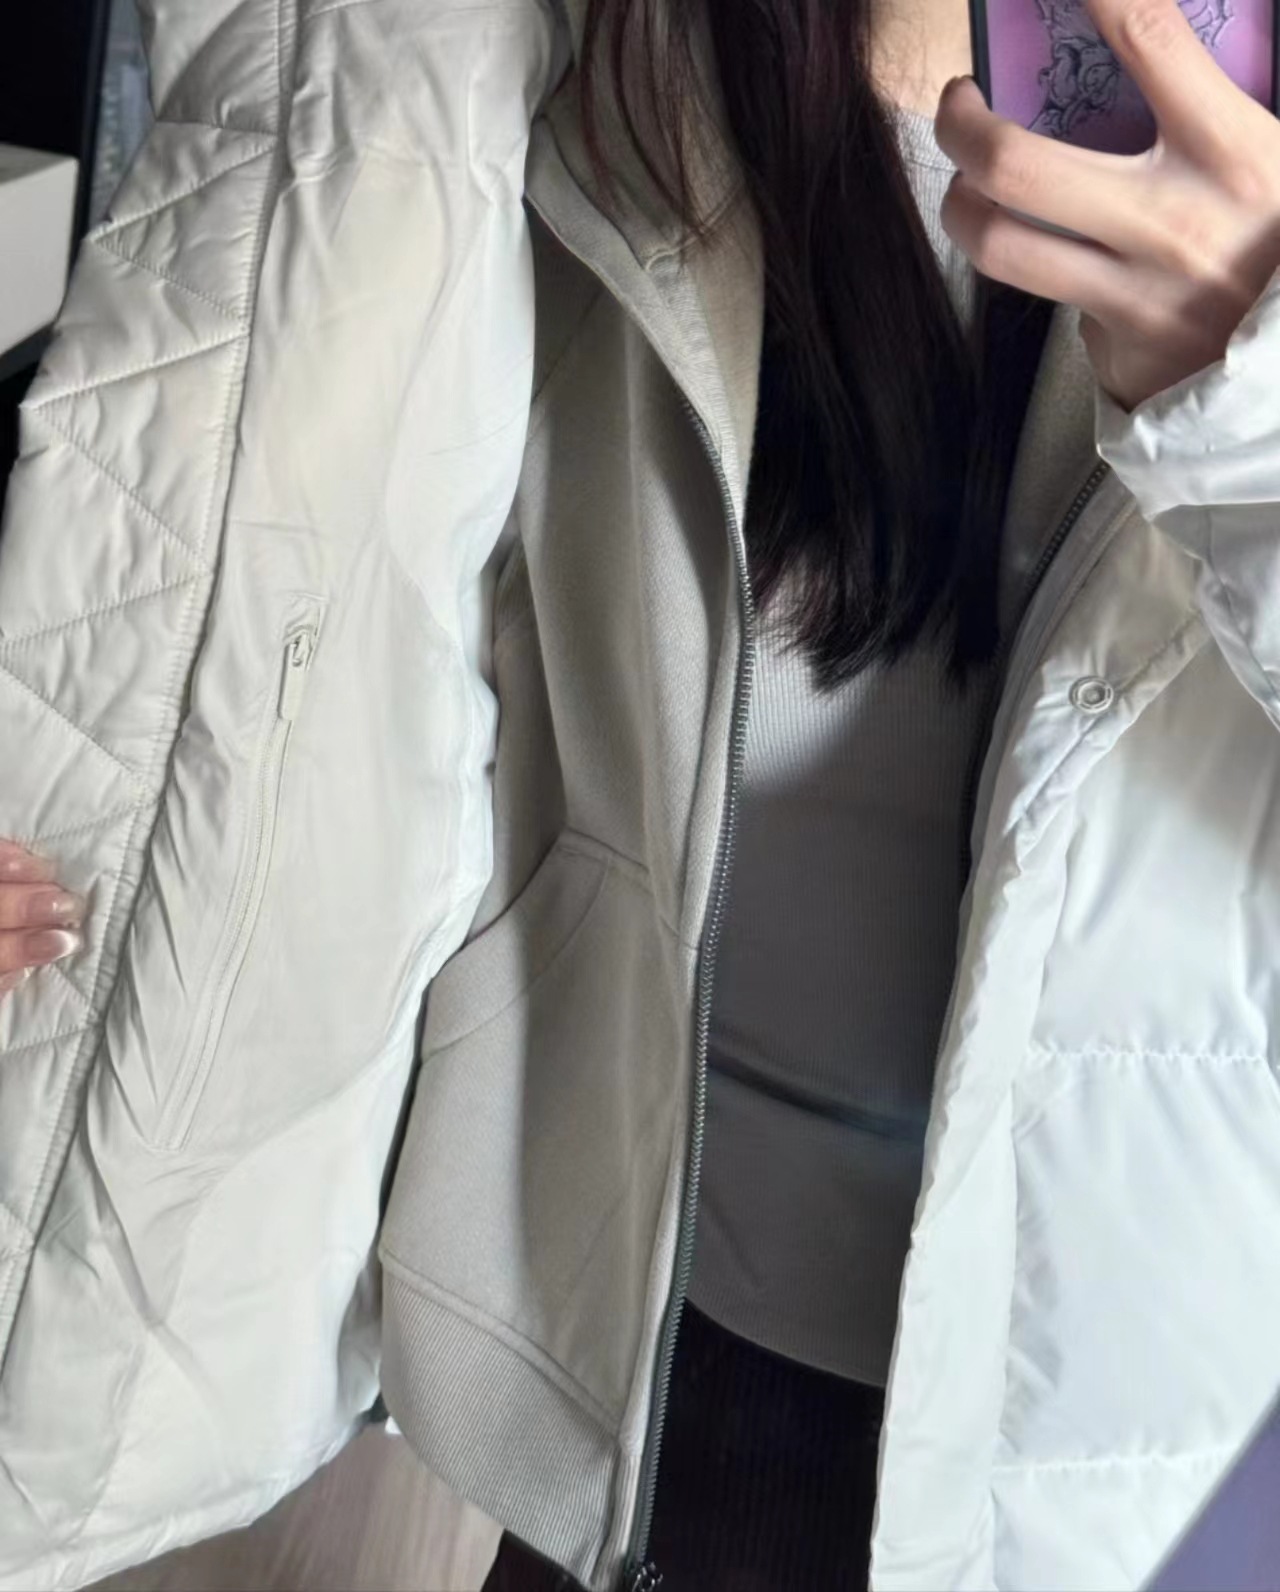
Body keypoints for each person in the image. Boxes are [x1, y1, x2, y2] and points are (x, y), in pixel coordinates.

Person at [3, 0, 1280, 1589]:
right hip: (626, 1354)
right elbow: (219, 549)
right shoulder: (541, 52)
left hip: (1135, 1428)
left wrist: (1256, 422)